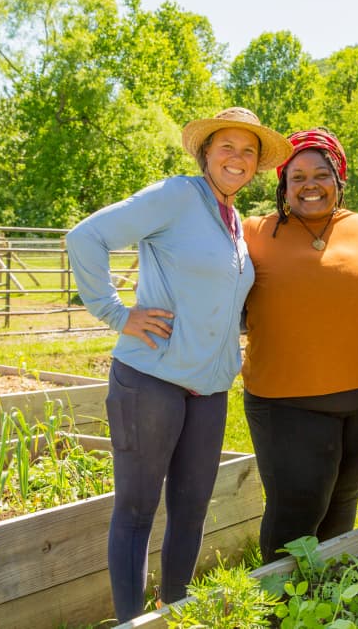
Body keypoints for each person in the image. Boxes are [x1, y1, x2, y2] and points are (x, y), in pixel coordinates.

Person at [66, 107, 292, 621]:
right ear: (205, 153)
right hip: (151, 381)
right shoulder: (175, 197)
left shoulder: (234, 222)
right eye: (227, 146)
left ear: (257, 165)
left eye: (248, 150)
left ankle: (174, 611)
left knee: (190, 512)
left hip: (208, 390)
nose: (237, 157)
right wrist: (115, 313)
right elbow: (86, 236)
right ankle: (132, 621)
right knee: (137, 511)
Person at [241, 128, 358, 563]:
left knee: (343, 505)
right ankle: (277, 607)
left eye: (321, 174)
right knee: (297, 511)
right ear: (283, 186)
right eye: (297, 177)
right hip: (286, 402)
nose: (310, 184)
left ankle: (324, 601)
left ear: (339, 178)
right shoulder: (255, 233)